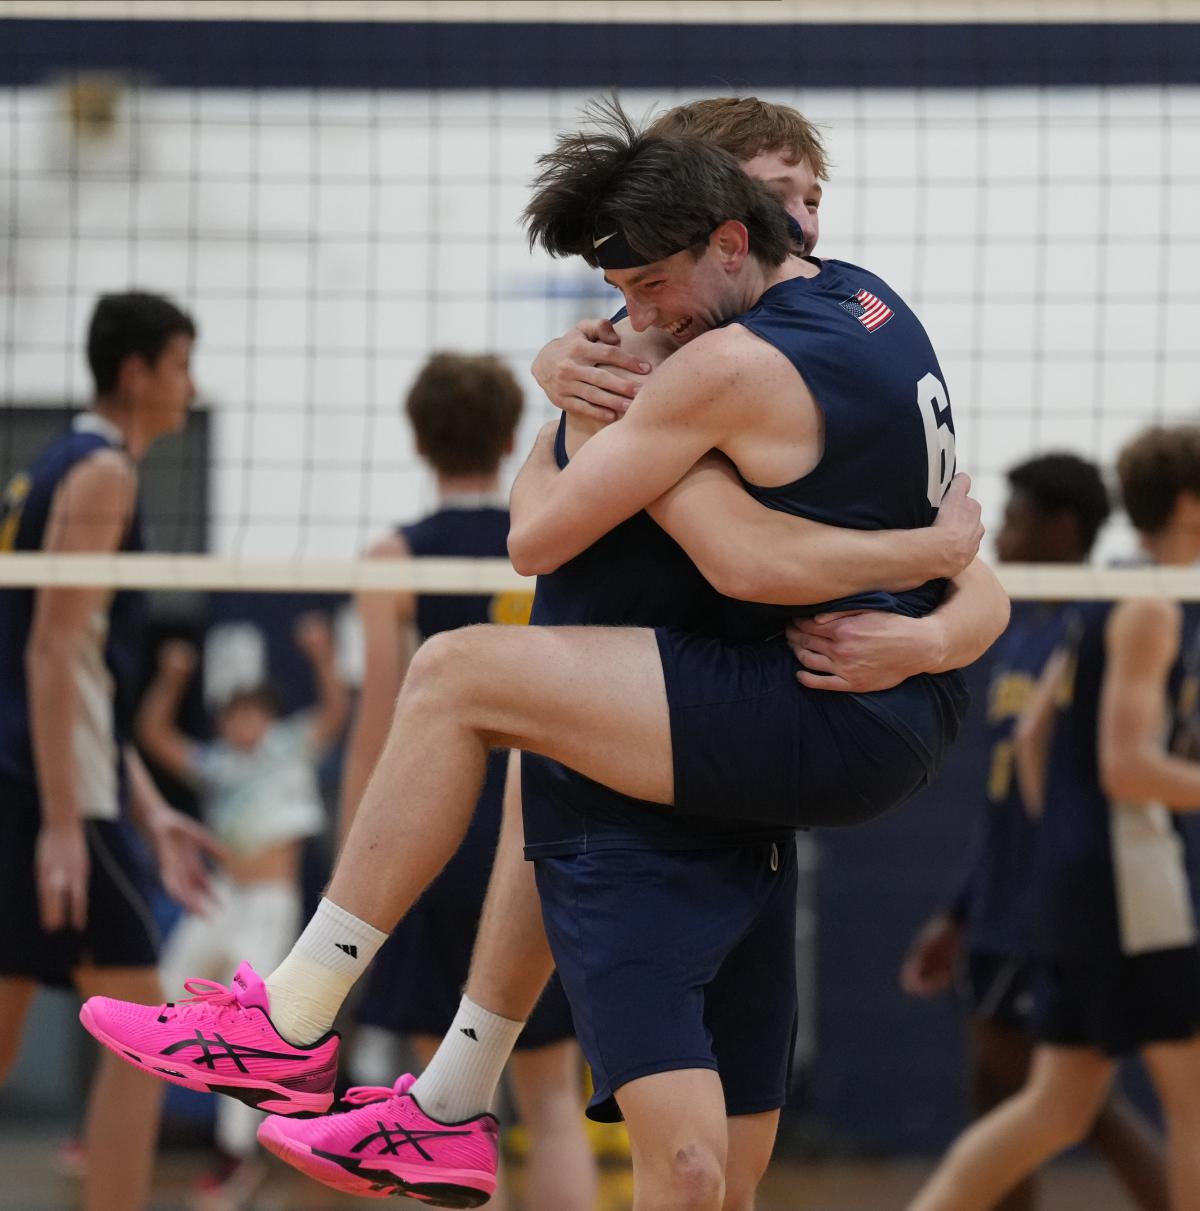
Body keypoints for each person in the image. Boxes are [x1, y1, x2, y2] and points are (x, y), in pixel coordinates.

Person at [79, 103, 1009, 1210]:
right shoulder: (857, 305)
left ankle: (294, 1019)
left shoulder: (719, 368)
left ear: (730, 234)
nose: (798, 218)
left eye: (807, 198)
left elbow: (594, 540)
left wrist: (932, 577)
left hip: (799, 716)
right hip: (785, 736)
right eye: (781, 192)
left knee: (461, 674)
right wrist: (567, 383)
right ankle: (444, 1101)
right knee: (707, 1151)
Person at [906, 424, 1200, 1211]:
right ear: (1190, 506)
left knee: (1058, 1103)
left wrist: (1065, 839)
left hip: (1081, 882)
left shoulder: (1106, 599)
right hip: (1128, 887)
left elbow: (1036, 737)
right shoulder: (1151, 608)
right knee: (1189, 1107)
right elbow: (1125, 766)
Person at [343, 352, 596, 1211]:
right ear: (503, 435)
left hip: (432, 842)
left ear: (419, 440)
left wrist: (358, 859)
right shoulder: (558, 528)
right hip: (541, 833)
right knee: (554, 1103)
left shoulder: (394, 556)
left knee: (440, 1109)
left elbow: (377, 723)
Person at [0, 291, 221, 1211]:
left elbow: (75, 667)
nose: (190, 385)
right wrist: (63, 818)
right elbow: (50, 648)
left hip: (37, 775)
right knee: (150, 1033)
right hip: (51, 792)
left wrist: (149, 804)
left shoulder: (51, 467)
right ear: (136, 374)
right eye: (179, 365)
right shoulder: (103, 476)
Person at [136, 612, 347, 1210]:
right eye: (233, 713)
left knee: (249, 1034)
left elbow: (335, 712)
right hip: (220, 898)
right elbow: (154, 735)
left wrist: (323, 654)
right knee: (157, 999)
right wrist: (171, 680)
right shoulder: (218, 763)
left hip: (269, 903)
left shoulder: (288, 748)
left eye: (252, 711)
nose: (242, 721)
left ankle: (235, 1158)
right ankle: (126, 1119)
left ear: (268, 716)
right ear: (225, 719)